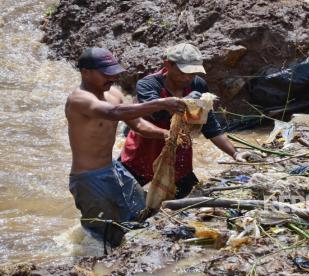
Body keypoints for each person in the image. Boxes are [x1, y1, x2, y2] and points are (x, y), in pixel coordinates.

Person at [65, 47, 185, 246]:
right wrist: (161, 103)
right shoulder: (79, 99)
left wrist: (167, 135)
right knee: (105, 236)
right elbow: (113, 113)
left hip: (114, 170)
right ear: (85, 72)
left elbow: (138, 125)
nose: (111, 78)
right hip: (89, 179)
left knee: (143, 214)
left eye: (113, 73)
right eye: (105, 74)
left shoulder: (113, 93)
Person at [120, 43, 256, 198]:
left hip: (179, 157)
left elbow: (209, 125)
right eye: (183, 73)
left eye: (192, 74)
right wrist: (185, 102)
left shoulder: (198, 84)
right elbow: (159, 114)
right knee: (121, 200)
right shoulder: (148, 85)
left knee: (188, 198)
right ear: (167, 65)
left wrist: (235, 154)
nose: (187, 78)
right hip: (144, 155)